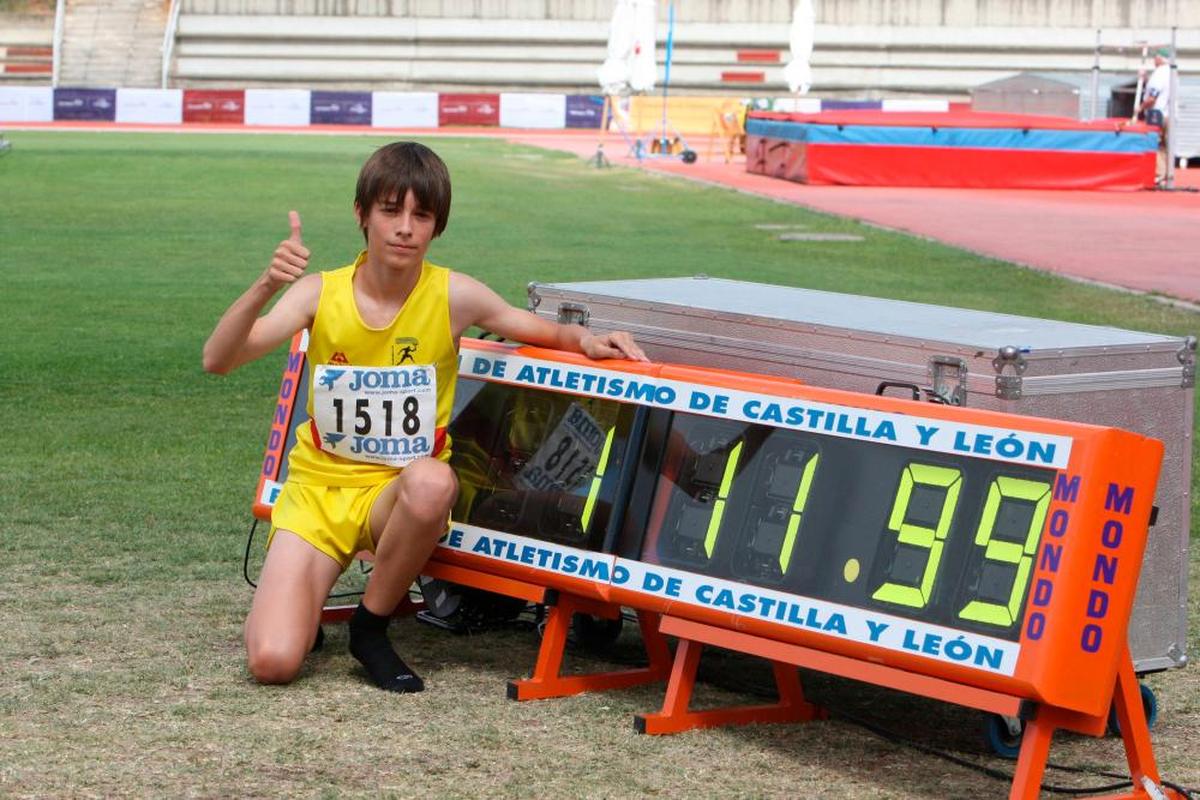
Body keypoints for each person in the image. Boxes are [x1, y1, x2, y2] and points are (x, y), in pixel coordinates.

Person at [203, 141, 647, 692]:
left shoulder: (454, 294)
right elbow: (218, 359)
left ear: (437, 226)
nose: (405, 228)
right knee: (273, 663)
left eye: (422, 215)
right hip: (318, 493)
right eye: (391, 210)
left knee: (435, 479)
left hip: (398, 496)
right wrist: (267, 285)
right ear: (362, 214)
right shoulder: (317, 293)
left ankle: (370, 628)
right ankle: (303, 604)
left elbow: (544, 329)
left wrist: (588, 339)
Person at [1139, 48, 1172, 182]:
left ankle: (1159, 174)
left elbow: (1153, 96)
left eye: (1155, 57)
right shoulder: (1172, 73)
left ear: (1160, 59)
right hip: (1169, 114)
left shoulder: (1159, 73)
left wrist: (1140, 108)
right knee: (1166, 145)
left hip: (1157, 114)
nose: (1154, 60)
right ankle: (1166, 175)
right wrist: (1145, 78)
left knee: (1156, 144)